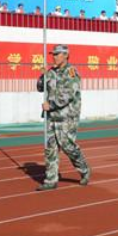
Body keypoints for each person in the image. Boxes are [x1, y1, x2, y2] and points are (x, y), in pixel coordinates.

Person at [36, 44, 90, 190]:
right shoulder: (51, 72)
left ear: (65, 55)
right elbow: (40, 88)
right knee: (50, 148)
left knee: (68, 146)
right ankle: (51, 180)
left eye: (57, 54)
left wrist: (51, 104)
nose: (54, 56)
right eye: (53, 54)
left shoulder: (71, 72)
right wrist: (42, 75)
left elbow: (69, 94)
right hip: (51, 116)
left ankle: (84, 169)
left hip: (67, 116)